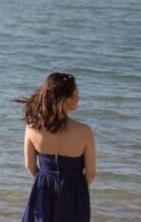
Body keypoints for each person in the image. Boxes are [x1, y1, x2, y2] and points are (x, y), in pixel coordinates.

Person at [20, 72, 96, 222]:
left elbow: (30, 166)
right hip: (74, 193)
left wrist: (46, 180)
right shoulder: (84, 132)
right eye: (76, 93)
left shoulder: (32, 127)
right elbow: (91, 173)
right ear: (64, 99)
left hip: (43, 190)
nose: (78, 97)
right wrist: (76, 190)